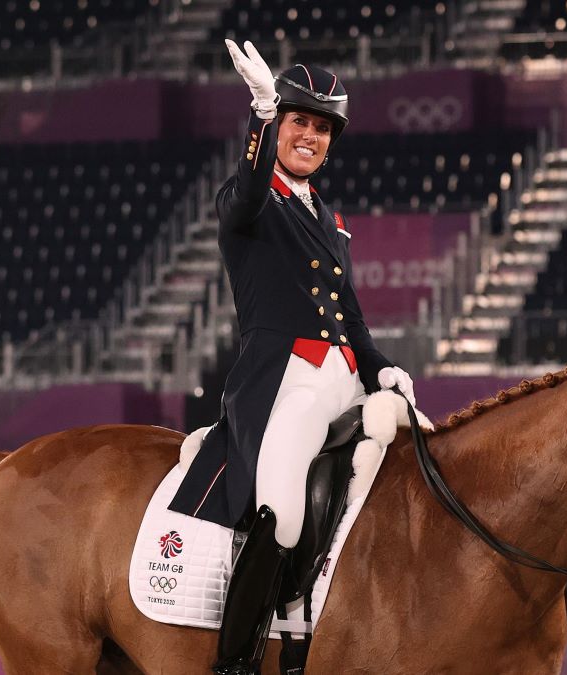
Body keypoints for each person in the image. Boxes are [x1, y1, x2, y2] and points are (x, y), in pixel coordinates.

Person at [167, 40, 417, 674]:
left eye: (321, 127)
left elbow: (350, 319)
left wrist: (380, 367)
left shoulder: (330, 223)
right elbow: (250, 189)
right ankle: (238, 661)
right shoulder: (247, 203)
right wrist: (259, 110)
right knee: (279, 510)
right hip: (283, 385)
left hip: (340, 382)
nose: (310, 135)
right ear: (278, 126)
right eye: (298, 121)